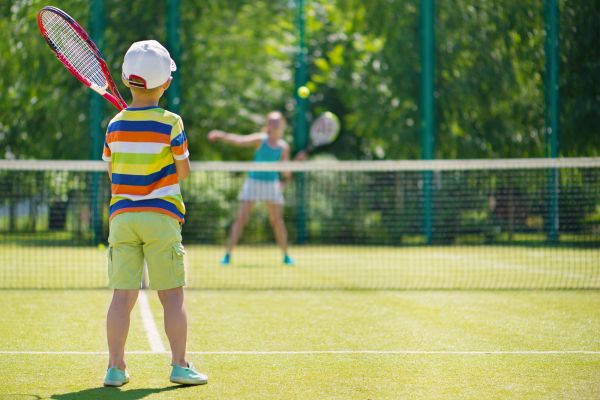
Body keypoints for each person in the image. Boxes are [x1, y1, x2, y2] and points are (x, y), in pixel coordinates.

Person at [102, 40, 207, 387]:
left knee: (122, 297)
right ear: (166, 83)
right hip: (161, 217)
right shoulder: (171, 123)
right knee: (172, 295)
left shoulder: (115, 125)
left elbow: (112, 173)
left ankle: (116, 369)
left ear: (127, 79)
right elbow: (184, 171)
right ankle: (180, 364)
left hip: (123, 218)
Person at [208, 111, 295, 266]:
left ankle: (286, 256)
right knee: (241, 219)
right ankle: (227, 255)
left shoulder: (284, 147)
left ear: (282, 124)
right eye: (271, 121)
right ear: (268, 125)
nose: (274, 124)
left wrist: (287, 176)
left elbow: (286, 173)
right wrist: (221, 135)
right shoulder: (260, 139)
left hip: (271, 185)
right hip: (254, 182)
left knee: (277, 221)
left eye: (277, 122)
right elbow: (239, 140)